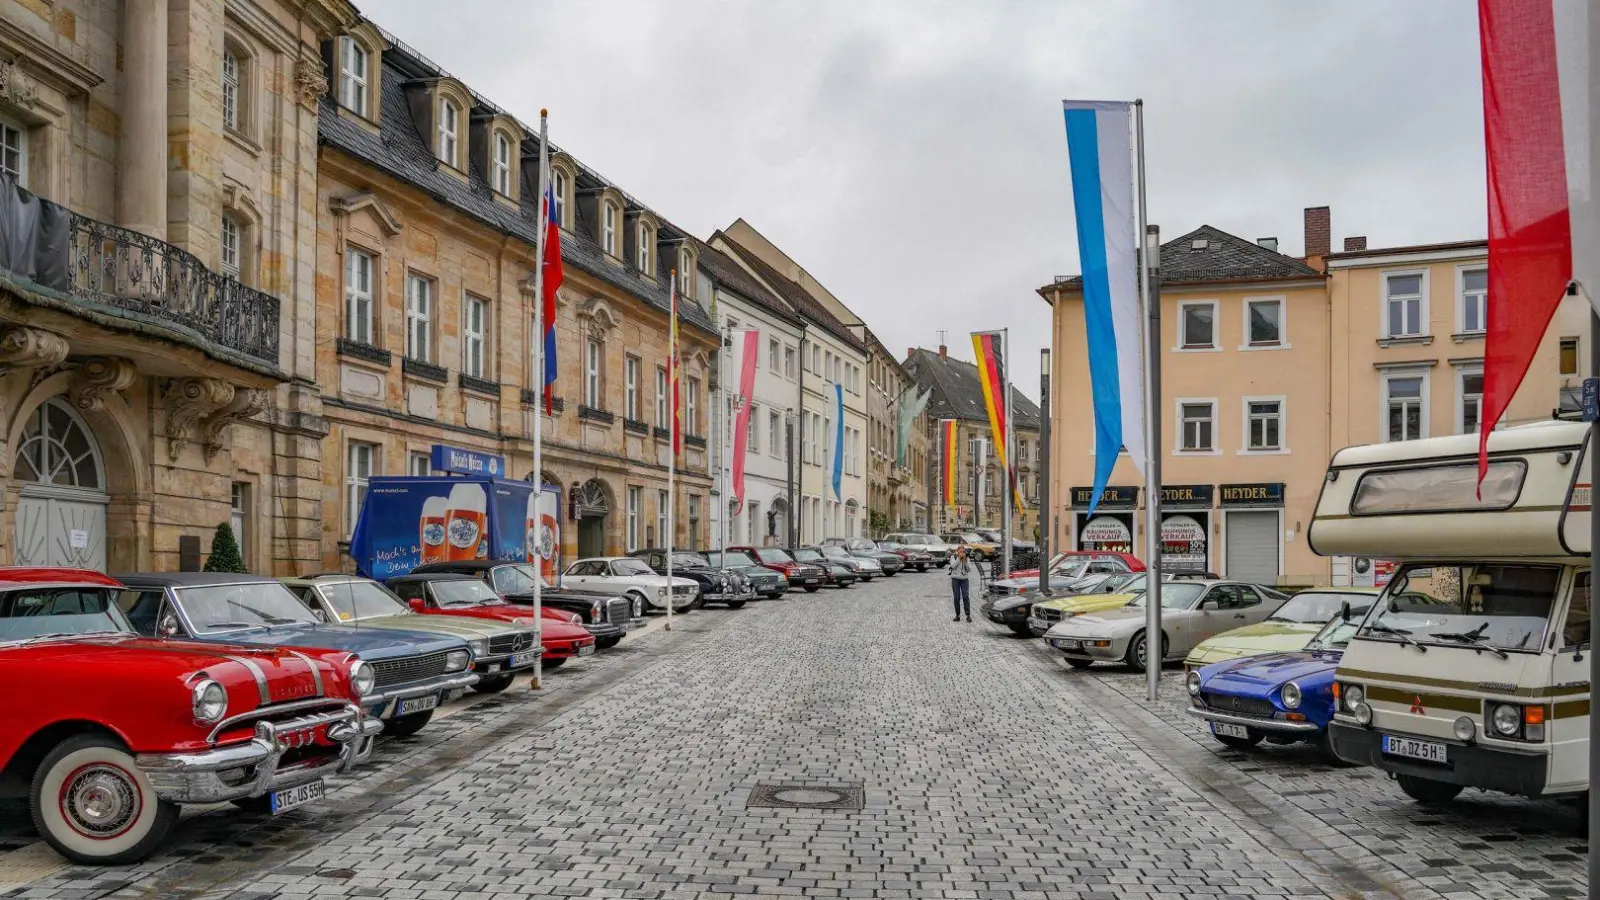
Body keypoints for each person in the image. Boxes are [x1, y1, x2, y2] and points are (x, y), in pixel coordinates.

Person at [950, 547, 973, 622]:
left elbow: (969, 569)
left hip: (964, 579)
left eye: (963, 551)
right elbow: (953, 566)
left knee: (965, 596)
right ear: (957, 551)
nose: (961, 553)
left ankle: (968, 615)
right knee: (956, 597)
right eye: (960, 551)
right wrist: (959, 559)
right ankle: (957, 615)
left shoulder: (966, 558)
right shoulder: (953, 557)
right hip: (955, 579)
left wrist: (965, 560)